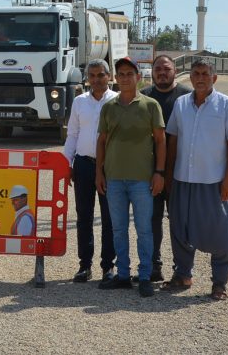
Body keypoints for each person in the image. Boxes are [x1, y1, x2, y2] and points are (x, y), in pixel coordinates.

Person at [163, 57, 228, 300]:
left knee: (220, 233)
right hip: (183, 179)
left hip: (213, 182)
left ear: (214, 78)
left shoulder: (226, 105)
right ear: (190, 77)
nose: (200, 78)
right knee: (180, 229)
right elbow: (173, 141)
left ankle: (219, 283)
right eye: (196, 73)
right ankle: (183, 274)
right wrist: (168, 176)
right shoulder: (181, 104)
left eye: (205, 74)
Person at [95, 56, 166, 298]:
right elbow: (102, 142)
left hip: (142, 180)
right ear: (116, 78)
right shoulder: (108, 108)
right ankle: (123, 274)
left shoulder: (150, 105)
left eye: (130, 74)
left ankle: (145, 276)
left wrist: (159, 173)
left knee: (144, 229)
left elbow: (160, 141)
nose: (125, 78)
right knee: (118, 229)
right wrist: (99, 173)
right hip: (114, 179)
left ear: (138, 77)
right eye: (121, 74)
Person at [62, 58, 117, 283]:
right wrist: (67, 164)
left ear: (109, 76)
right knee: (84, 216)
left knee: (109, 217)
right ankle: (85, 265)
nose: (96, 80)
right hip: (83, 165)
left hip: (110, 167)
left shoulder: (117, 101)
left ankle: (108, 266)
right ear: (87, 78)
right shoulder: (79, 102)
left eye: (100, 75)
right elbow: (72, 134)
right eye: (92, 76)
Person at [140, 54, 193, 282]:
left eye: (167, 69)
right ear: (152, 72)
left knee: (180, 223)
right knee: (151, 222)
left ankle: (182, 270)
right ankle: (154, 266)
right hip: (148, 173)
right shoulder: (143, 98)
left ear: (175, 71)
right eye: (158, 69)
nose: (162, 73)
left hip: (179, 173)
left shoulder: (187, 98)